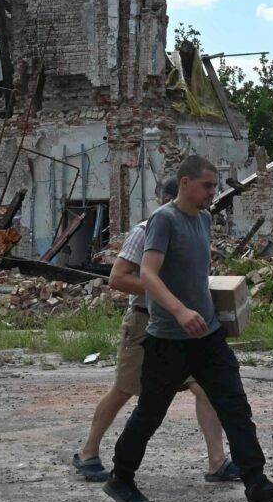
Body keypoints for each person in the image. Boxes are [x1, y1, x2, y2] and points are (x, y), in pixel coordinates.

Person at [106, 154, 273, 502]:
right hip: (168, 339)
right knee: (150, 412)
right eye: (207, 185)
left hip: (207, 336)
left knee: (234, 406)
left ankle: (256, 483)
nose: (213, 192)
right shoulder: (163, 220)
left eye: (214, 185)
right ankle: (121, 477)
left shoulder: (205, 219)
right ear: (185, 183)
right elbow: (147, 274)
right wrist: (179, 311)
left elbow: (194, 275)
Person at [71, 176, 242, 484]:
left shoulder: (195, 227)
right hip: (145, 324)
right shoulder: (145, 231)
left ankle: (218, 463)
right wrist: (168, 293)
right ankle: (88, 453)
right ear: (171, 200)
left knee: (205, 388)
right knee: (124, 390)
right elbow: (118, 278)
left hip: (184, 329)